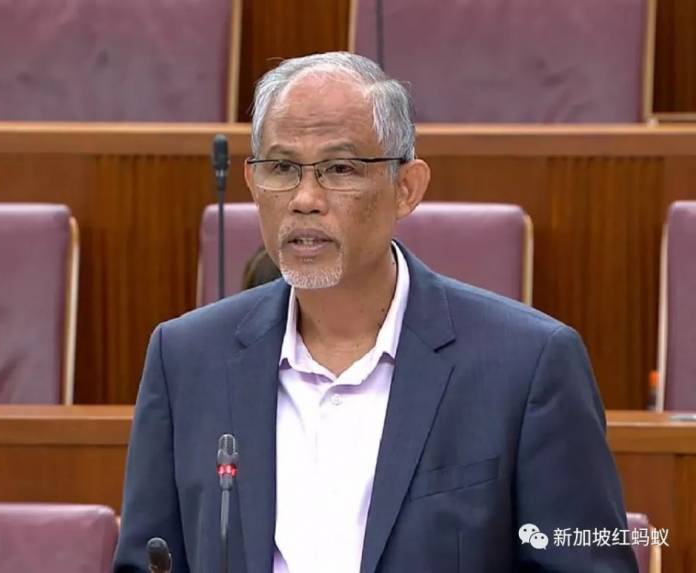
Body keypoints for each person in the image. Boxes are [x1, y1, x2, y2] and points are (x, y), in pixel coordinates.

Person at [114, 52, 636, 572]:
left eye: (339, 169)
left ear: (406, 189)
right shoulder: (186, 360)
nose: (305, 198)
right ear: (252, 184)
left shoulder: (527, 365)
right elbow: (148, 561)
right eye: (282, 168)